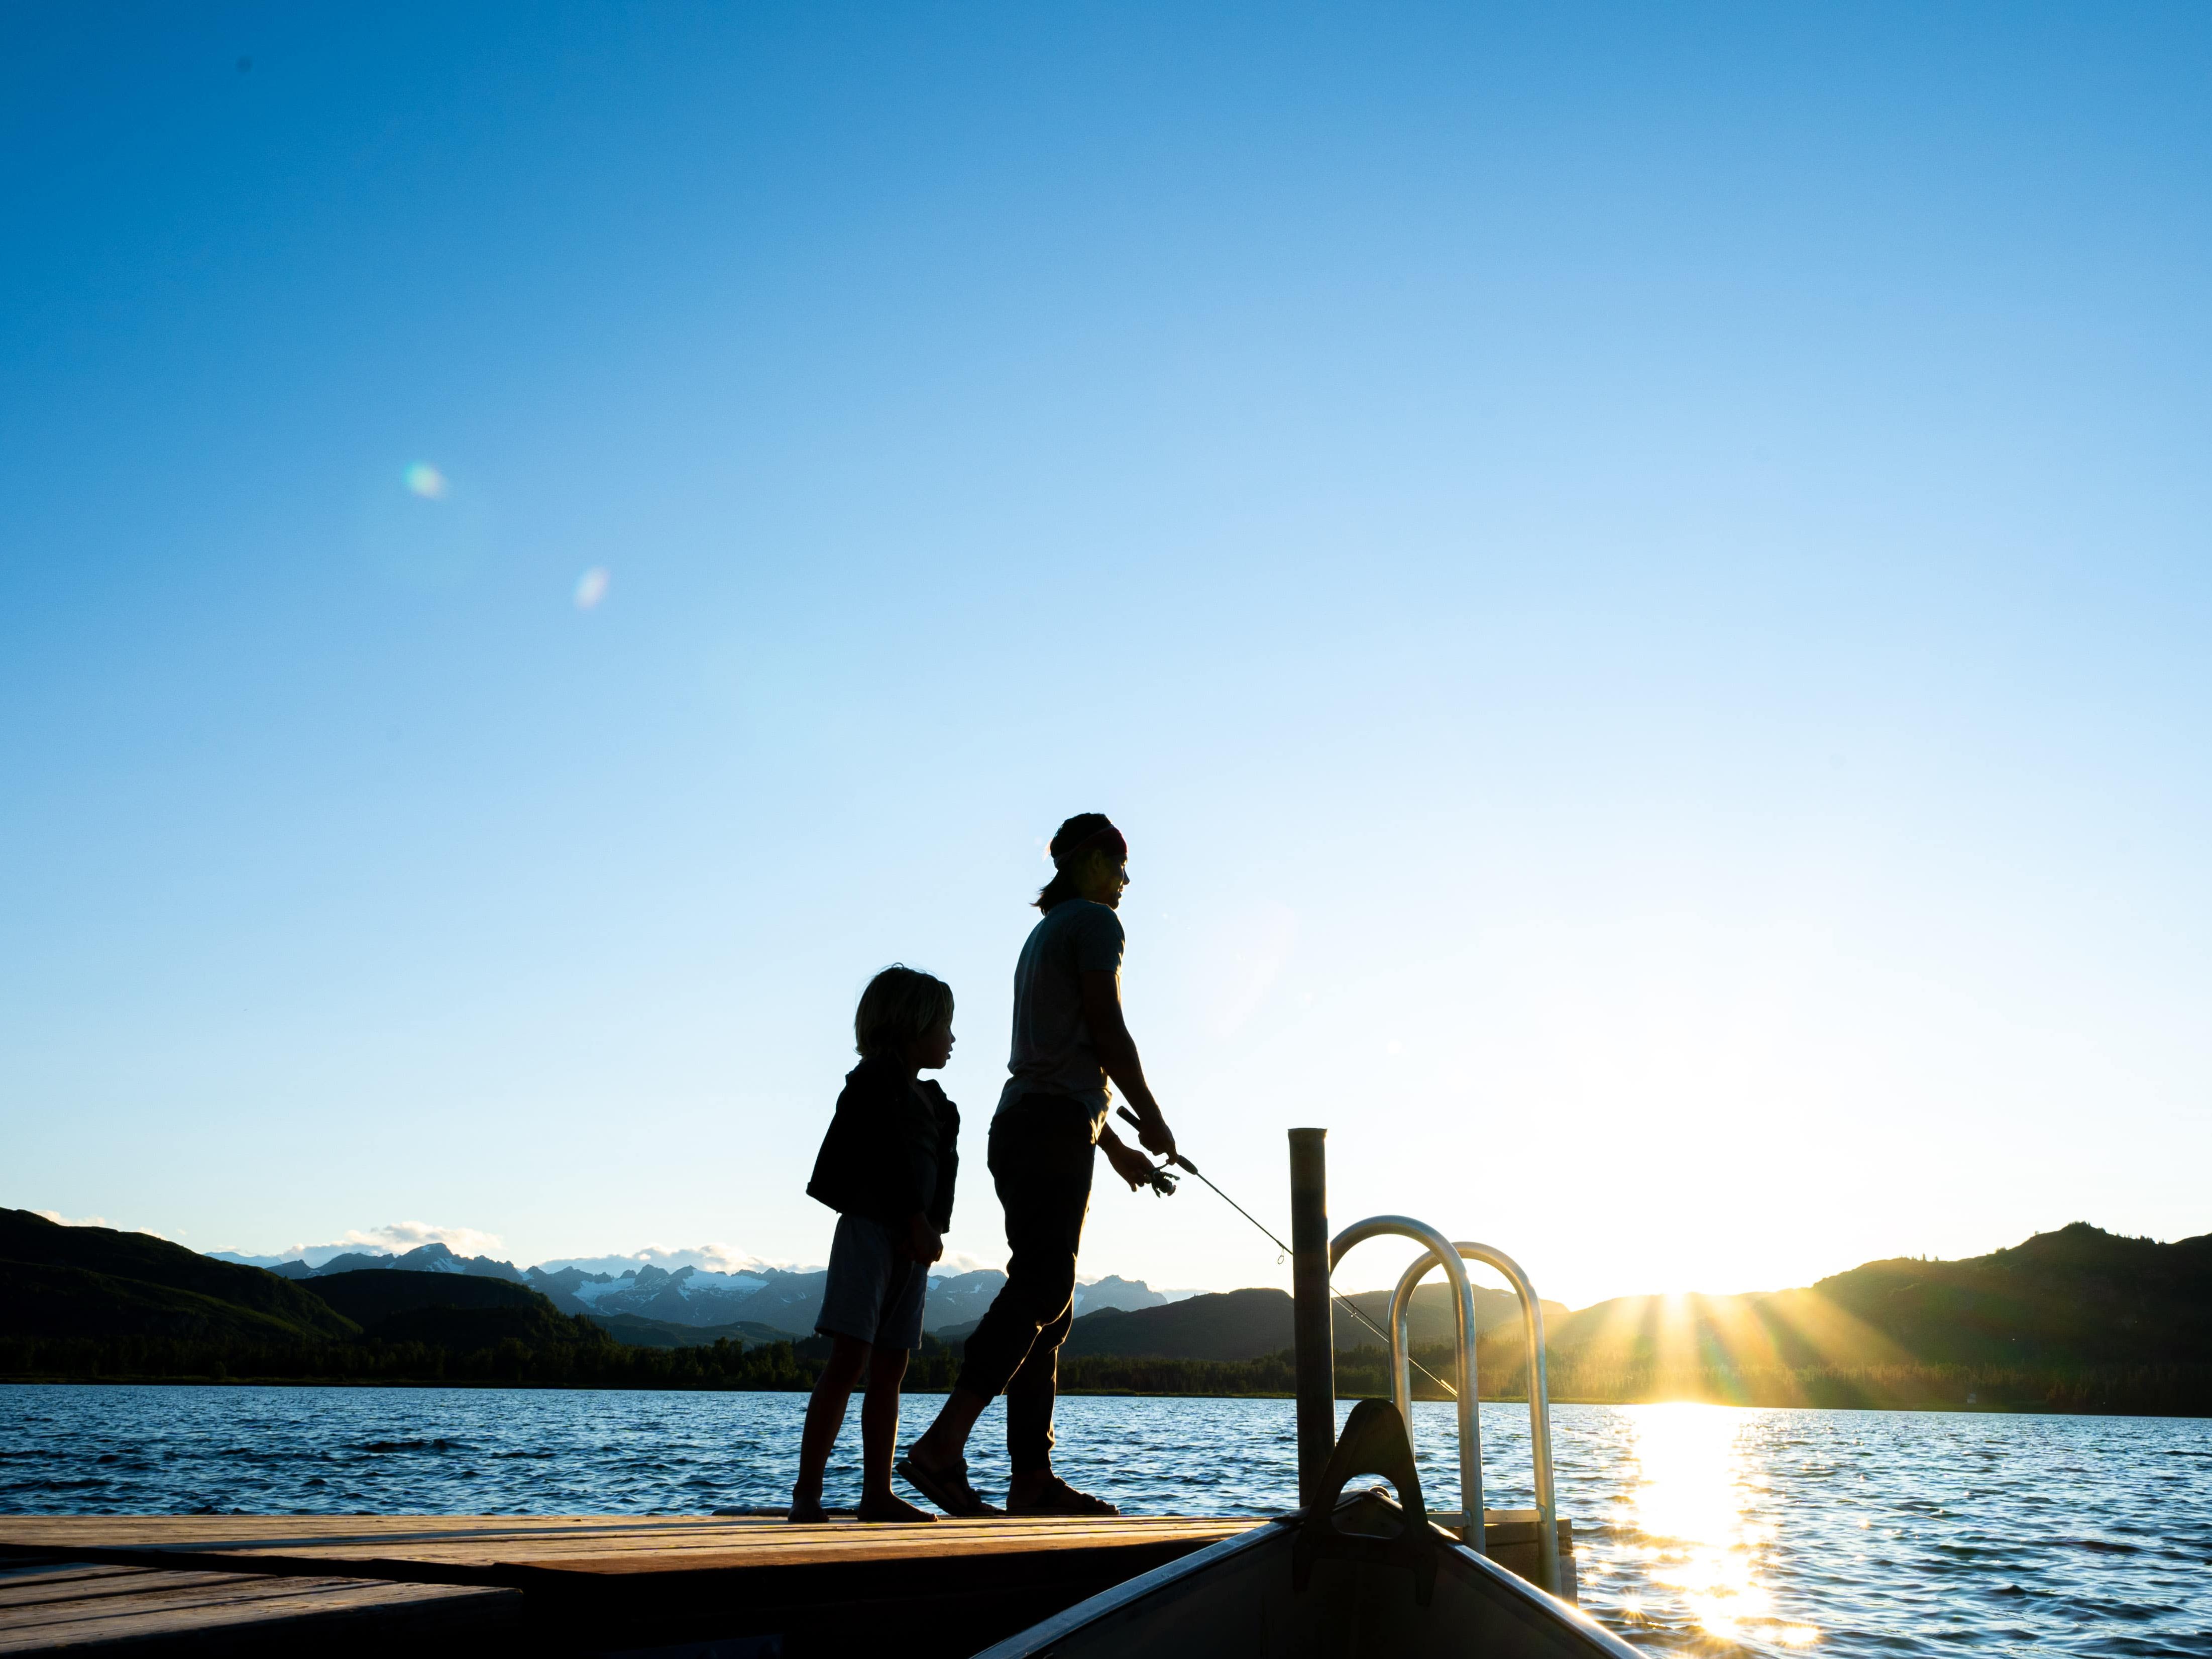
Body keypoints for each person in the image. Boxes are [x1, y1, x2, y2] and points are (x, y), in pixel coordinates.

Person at [897, 813, 1175, 1518]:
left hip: (1029, 1123)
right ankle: (941, 1446)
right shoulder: (1096, 923)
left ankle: (1031, 1480)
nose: (1126, 880)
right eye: (1118, 863)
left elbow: (1060, 1055)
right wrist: (1154, 1110)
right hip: (1049, 1126)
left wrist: (1114, 1147)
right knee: (1045, 1283)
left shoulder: (1045, 932)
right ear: (1087, 862)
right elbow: (1105, 1027)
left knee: (1050, 1307)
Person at [790, 965, 960, 1524]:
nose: (953, 1039)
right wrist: (916, 1220)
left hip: (912, 1245)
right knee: (849, 1359)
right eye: (945, 1027)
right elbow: (884, 1156)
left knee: (892, 1365)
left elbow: (941, 1174)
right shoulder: (871, 1083)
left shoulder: (936, 1103)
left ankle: (876, 1494)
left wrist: (932, 1230)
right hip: (870, 1231)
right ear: (911, 1026)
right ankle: (807, 1498)